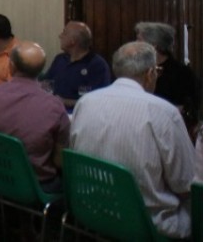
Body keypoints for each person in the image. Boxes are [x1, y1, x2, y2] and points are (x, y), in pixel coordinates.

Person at [70, 41, 196, 239]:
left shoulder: (86, 102)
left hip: (92, 210)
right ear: (150, 74)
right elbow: (186, 183)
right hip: (147, 222)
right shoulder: (163, 112)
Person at [0, 42, 69, 192]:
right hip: (34, 183)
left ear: (11, 66)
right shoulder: (54, 106)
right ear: (40, 70)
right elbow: (59, 161)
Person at [135, 21, 201, 132]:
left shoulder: (182, 73)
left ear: (153, 46)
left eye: (139, 40)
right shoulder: (136, 70)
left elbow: (193, 107)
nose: (135, 44)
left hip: (171, 129)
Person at [42, 21, 111, 111]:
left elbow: (99, 99)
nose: (60, 36)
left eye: (64, 33)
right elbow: (47, 83)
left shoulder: (97, 65)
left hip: (80, 114)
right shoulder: (60, 59)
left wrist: (65, 102)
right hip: (53, 111)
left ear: (73, 41)